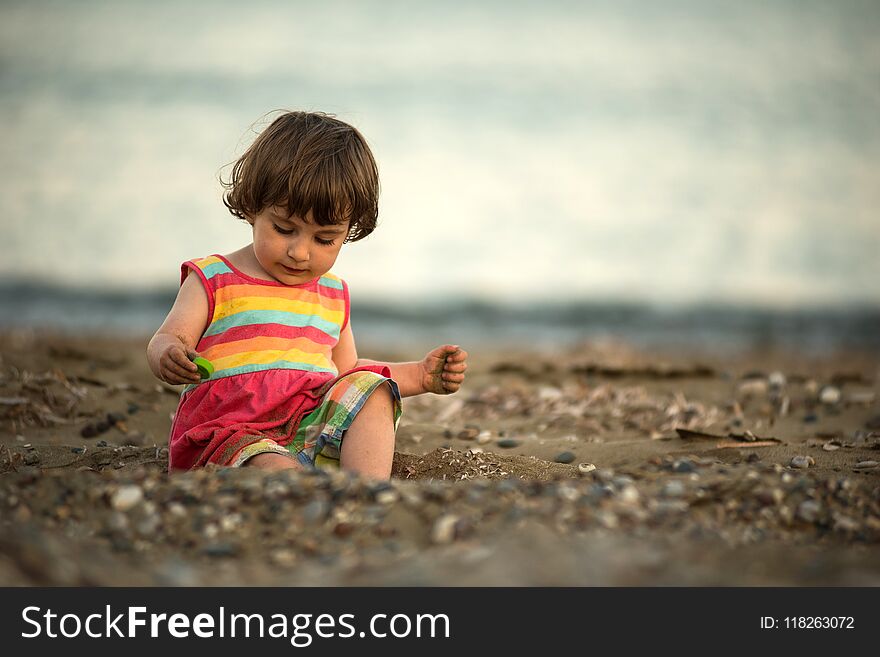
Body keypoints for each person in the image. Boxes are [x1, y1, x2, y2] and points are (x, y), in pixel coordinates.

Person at [147, 111, 468, 479]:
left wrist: (419, 376)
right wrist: (169, 354)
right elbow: (168, 337)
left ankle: (365, 490)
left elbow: (346, 372)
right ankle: (302, 485)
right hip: (232, 433)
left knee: (373, 390)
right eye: (285, 229)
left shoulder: (332, 295)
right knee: (272, 464)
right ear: (253, 207)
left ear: (349, 231)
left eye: (324, 239)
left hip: (308, 431)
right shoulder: (215, 279)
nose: (300, 252)